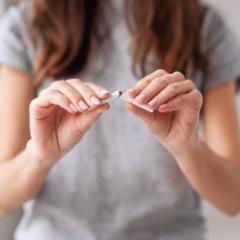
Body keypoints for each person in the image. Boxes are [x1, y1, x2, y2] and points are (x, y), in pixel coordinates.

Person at [0, 0, 239, 239]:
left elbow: (233, 198)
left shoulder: (204, 27)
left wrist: (186, 146)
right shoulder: (26, 25)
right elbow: (3, 196)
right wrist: (40, 156)